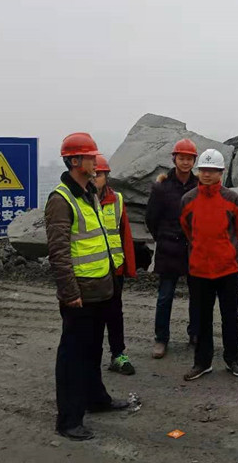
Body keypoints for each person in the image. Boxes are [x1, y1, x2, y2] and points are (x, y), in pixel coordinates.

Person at [45, 133, 129, 442]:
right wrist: (70, 293)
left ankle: (96, 399)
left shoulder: (88, 193)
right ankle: (68, 420)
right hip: (80, 293)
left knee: (93, 349)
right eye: (90, 157)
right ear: (74, 161)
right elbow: (59, 252)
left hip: (100, 288)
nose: (95, 161)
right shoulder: (61, 199)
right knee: (73, 356)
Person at [179, 149, 238, 381]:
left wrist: (226, 249)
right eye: (203, 170)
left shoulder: (232, 199)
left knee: (230, 317)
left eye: (212, 170)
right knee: (202, 318)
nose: (207, 174)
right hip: (199, 269)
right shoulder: (188, 200)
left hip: (227, 268)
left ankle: (233, 359)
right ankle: (202, 362)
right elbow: (186, 228)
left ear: (221, 172)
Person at [145, 138, 200, 359]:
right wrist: (163, 237)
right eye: (181, 158)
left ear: (194, 161)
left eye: (189, 158)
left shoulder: (199, 186)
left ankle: (195, 334)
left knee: (197, 295)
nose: (185, 162)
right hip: (168, 248)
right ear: (174, 159)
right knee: (165, 296)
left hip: (193, 248)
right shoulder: (162, 187)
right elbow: (151, 219)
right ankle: (161, 338)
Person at [93, 154, 137, 375]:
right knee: (92, 318)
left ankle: (118, 355)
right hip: (91, 271)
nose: (95, 178)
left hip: (114, 268)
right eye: (92, 174)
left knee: (114, 314)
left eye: (99, 174)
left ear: (106, 176)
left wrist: (128, 267)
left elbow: (124, 234)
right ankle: (90, 359)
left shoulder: (117, 200)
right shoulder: (79, 201)